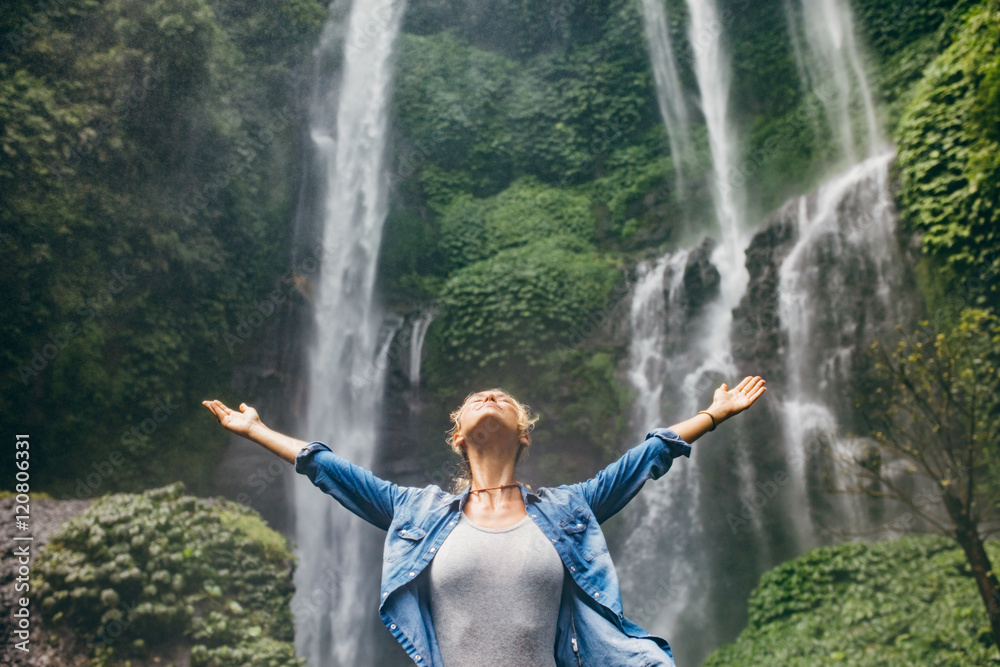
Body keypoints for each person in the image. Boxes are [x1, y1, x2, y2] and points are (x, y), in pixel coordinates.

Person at [203, 375, 766, 666]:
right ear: (457, 435)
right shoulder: (415, 512)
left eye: (501, 397)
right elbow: (328, 469)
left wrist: (713, 414)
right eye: (476, 397)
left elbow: (645, 459)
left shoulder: (569, 508)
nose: (489, 395)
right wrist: (256, 431)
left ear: (523, 433)